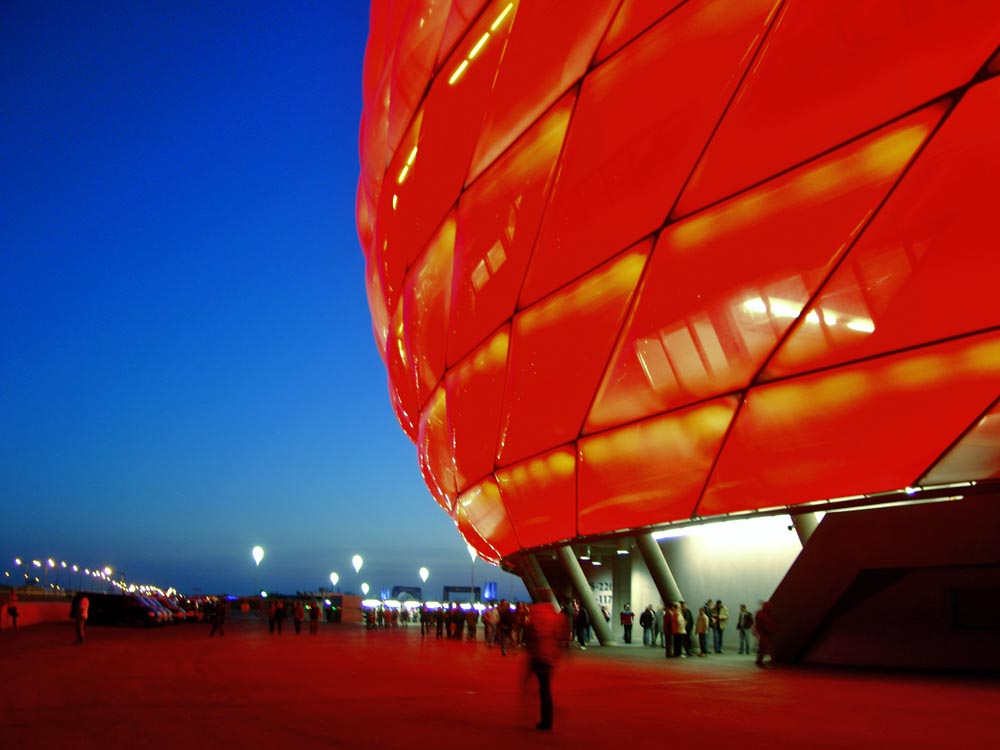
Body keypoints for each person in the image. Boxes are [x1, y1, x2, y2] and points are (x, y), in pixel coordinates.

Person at [524, 597, 563, 731]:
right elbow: (560, 635)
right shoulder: (554, 615)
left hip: (538, 655)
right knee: (545, 689)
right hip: (549, 656)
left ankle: (543, 719)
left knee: (542, 689)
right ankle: (547, 719)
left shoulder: (536, 615)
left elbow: (530, 635)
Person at [754, 601, 778, 668]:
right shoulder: (767, 614)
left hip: (764, 633)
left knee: (763, 647)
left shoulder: (760, 613)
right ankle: (771, 661)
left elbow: (758, 623)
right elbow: (770, 623)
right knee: (768, 648)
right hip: (766, 633)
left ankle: (760, 660)